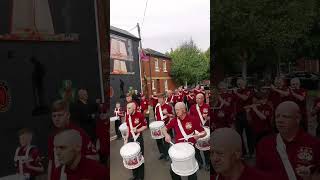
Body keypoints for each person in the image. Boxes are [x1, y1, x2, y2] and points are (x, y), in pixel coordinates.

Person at [256, 101, 320, 180]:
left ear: (298, 118)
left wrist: (309, 177)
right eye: (277, 116)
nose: (279, 120)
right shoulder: (264, 143)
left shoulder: (314, 144)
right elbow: (258, 174)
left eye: (285, 116)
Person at [48, 100, 98, 180]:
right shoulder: (52, 136)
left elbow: (94, 157)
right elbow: (51, 161)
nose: (56, 119)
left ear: (68, 115)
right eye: (54, 116)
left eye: (60, 115)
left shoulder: (79, 133)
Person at [163, 102, 206, 180]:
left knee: (192, 172)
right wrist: (166, 135)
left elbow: (204, 132)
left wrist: (199, 135)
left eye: (177, 110)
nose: (176, 112)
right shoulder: (174, 120)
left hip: (190, 148)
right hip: (179, 149)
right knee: (174, 171)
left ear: (183, 110)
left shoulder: (193, 119)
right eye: (175, 110)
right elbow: (164, 129)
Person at [124, 102, 148, 180]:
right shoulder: (128, 116)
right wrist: (126, 138)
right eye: (127, 108)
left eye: (129, 108)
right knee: (132, 158)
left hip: (138, 139)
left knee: (140, 158)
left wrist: (137, 130)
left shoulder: (140, 115)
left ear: (134, 108)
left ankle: (141, 177)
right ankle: (135, 176)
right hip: (130, 139)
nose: (127, 110)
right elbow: (128, 127)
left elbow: (145, 126)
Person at [233, 78, 254, 158]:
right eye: (237, 83)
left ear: (244, 83)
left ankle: (251, 152)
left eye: (240, 83)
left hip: (247, 114)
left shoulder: (249, 90)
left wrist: (236, 93)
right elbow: (234, 103)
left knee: (249, 134)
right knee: (239, 135)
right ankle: (243, 153)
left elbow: (245, 98)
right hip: (238, 115)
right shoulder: (236, 91)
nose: (238, 85)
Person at [189, 93, 211, 170]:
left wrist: (207, 117)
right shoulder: (192, 107)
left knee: (206, 148)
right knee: (196, 148)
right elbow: (190, 117)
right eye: (196, 98)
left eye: (199, 98)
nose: (197, 99)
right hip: (196, 129)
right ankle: (199, 162)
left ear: (203, 99)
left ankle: (207, 163)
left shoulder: (207, 106)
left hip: (206, 129)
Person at [154, 93, 174, 161]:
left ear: (163, 98)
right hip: (158, 127)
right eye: (158, 98)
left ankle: (166, 154)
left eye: (160, 98)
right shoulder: (157, 107)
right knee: (158, 140)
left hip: (166, 126)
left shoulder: (168, 106)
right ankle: (162, 153)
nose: (158, 100)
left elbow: (173, 116)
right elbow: (156, 117)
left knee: (166, 141)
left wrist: (167, 114)